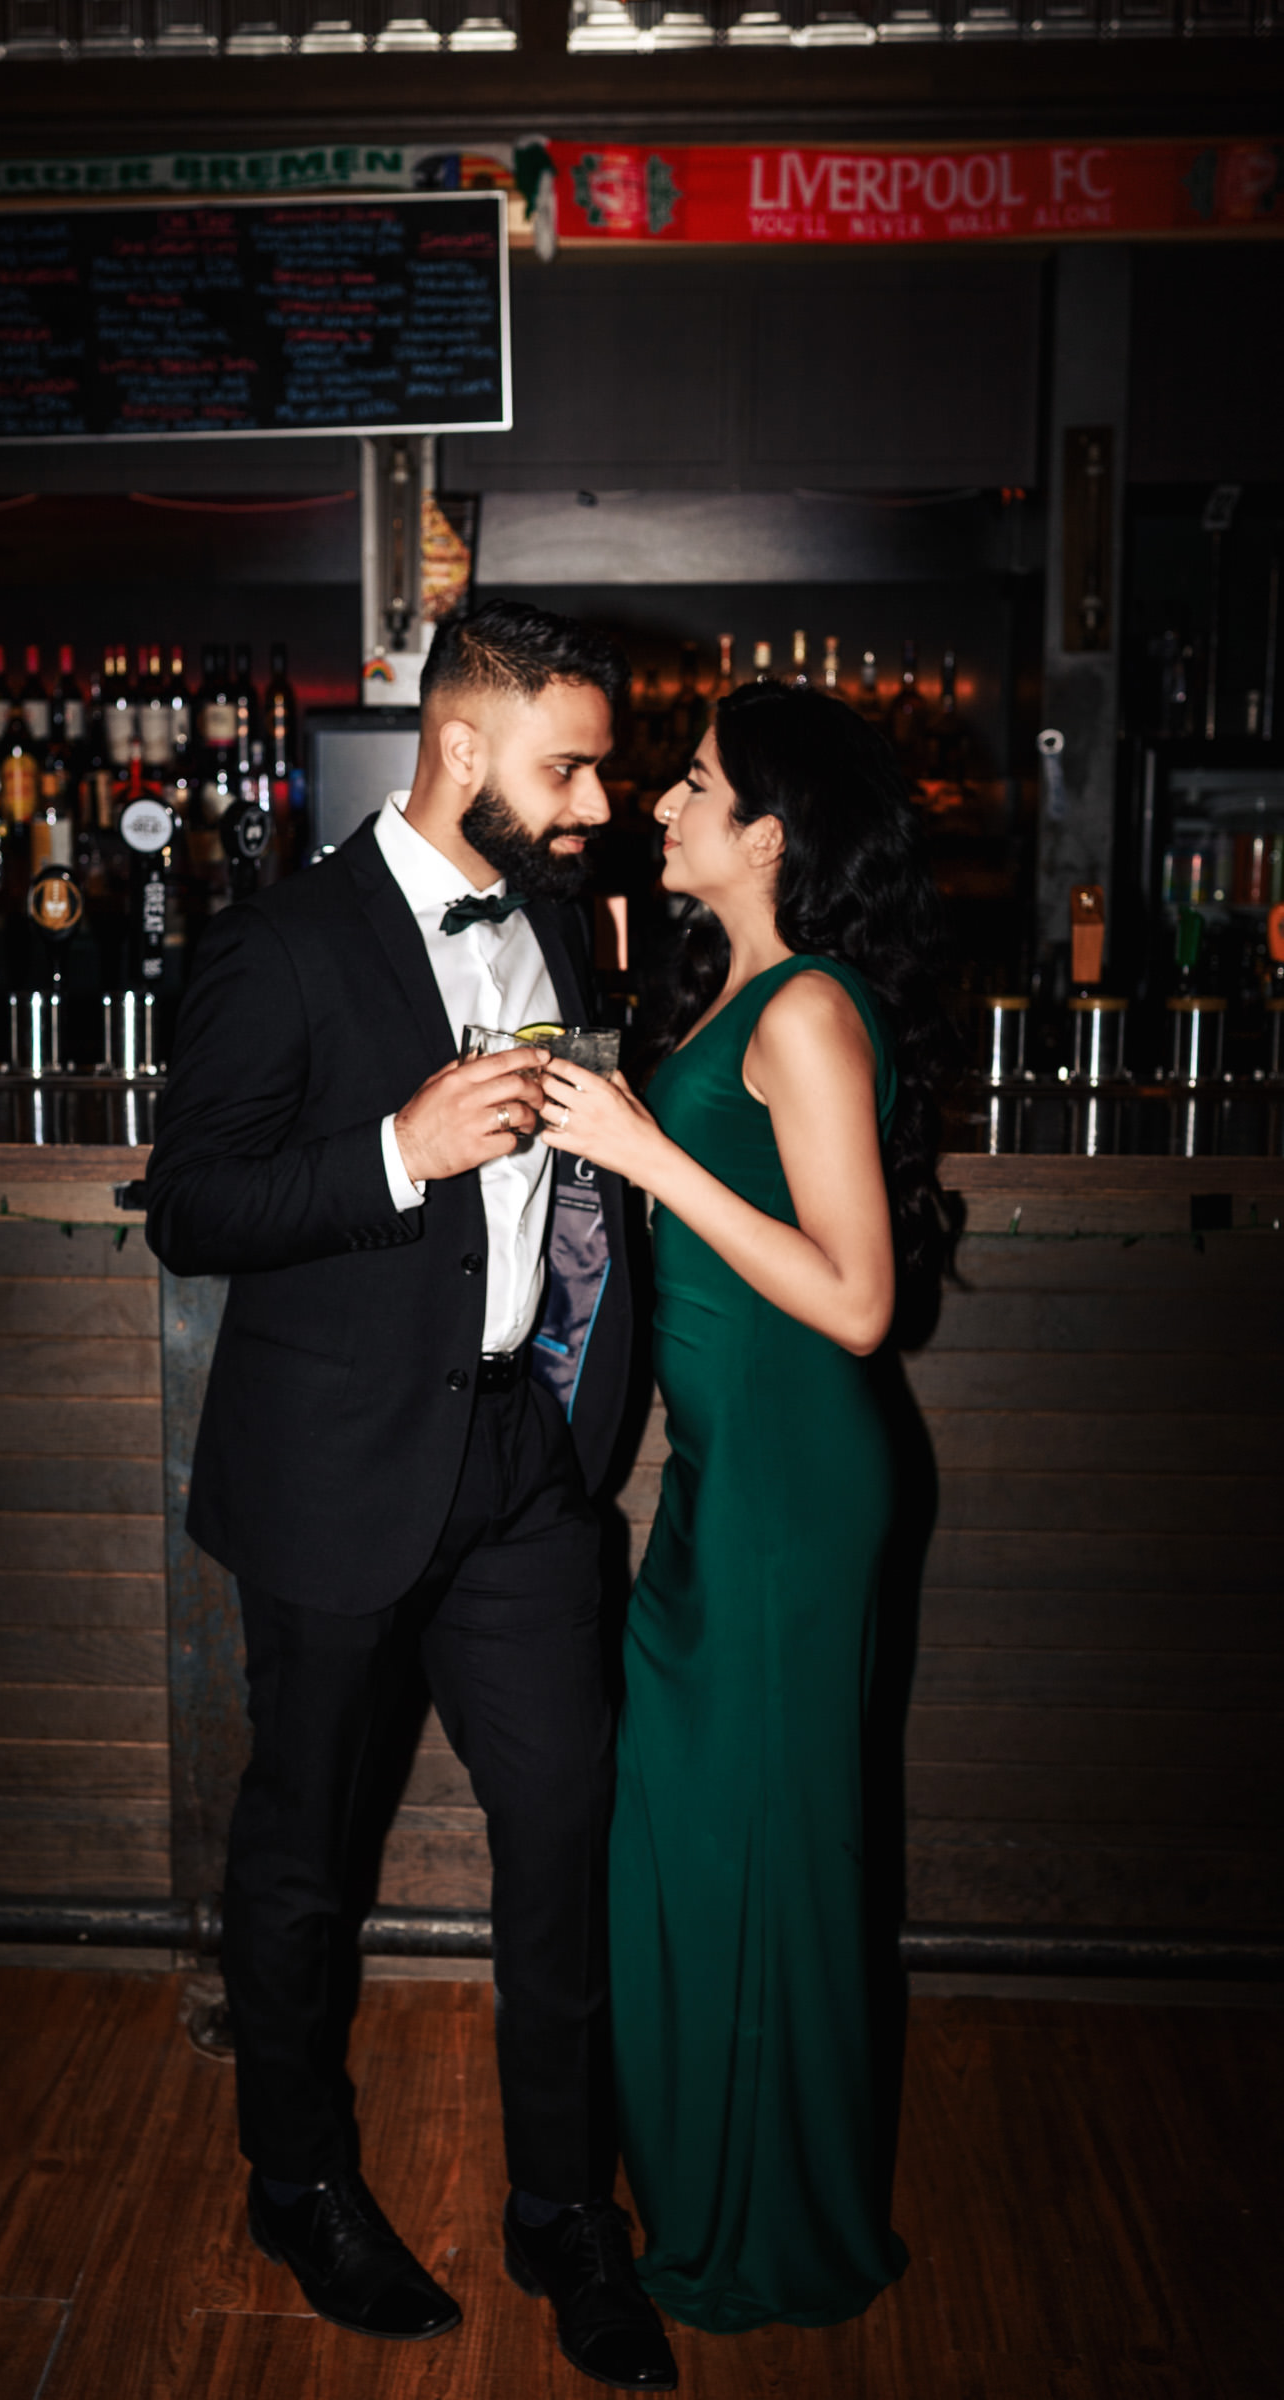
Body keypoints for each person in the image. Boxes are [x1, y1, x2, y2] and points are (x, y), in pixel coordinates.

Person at [144, 599, 678, 2393]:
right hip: (337, 1473)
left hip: (522, 1470)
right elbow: (198, 1206)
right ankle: (295, 2181)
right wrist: (398, 1149)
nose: (596, 797)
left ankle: (561, 2210)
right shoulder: (280, 943)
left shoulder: (566, 929)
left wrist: (582, 1414)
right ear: (461, 749)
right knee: (303, 1858)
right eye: (570, 763)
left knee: (565, 1838)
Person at [539, 678, 948, 2335]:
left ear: (769, 833)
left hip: (796, 1492)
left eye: (696, 783)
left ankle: (775, 2234)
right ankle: (719, 2184)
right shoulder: (744, 993)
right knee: (706, 1847)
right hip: (735, 1486)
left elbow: (859, 1302)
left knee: (763, 1857)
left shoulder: (804, 1014)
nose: (665, 800)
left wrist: (649, 1162)